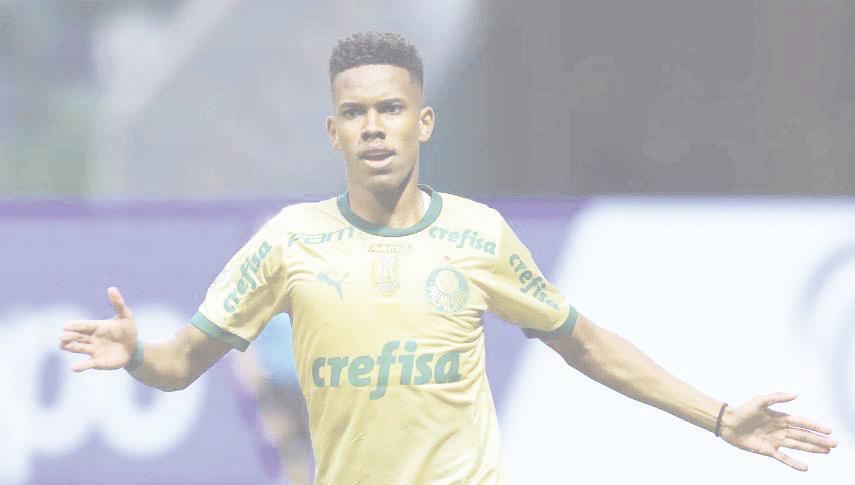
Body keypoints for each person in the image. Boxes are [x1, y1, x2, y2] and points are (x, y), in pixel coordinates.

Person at [58, 31, 837, 484]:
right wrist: (137, 356)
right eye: (354, 112)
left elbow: (588, 345)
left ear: (423, 122)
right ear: (333, 132)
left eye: (390, 108)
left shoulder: (478, 236)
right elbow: (182, 362)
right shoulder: (286, 241)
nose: (373, 126)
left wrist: (717, 416)